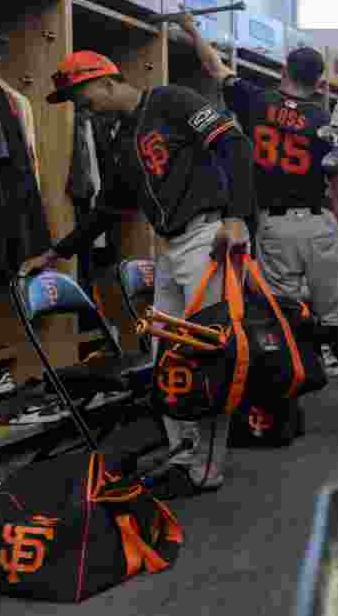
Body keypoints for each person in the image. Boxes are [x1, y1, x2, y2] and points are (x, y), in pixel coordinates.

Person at [19, 51, 256, 499]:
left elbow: (234, 144)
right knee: (169, 357)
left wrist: (239, 217)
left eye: (80, 93)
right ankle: (183, 454)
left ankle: (206, 468)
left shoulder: (172, 100)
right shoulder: (120, 137)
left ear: (106, 81)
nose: (79, 104)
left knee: (204, 358)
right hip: (169, 248)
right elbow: (108, 209)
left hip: (208, 236)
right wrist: (55, 253)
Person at [172, 10, 338, 430]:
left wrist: (192, 29)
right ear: (320, 84)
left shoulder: (253, 99)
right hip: (319, 224)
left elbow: (215, 66)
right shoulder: (323, 121)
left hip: (274, 228)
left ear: (284, 70)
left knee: (285, 315)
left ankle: (290, 402)